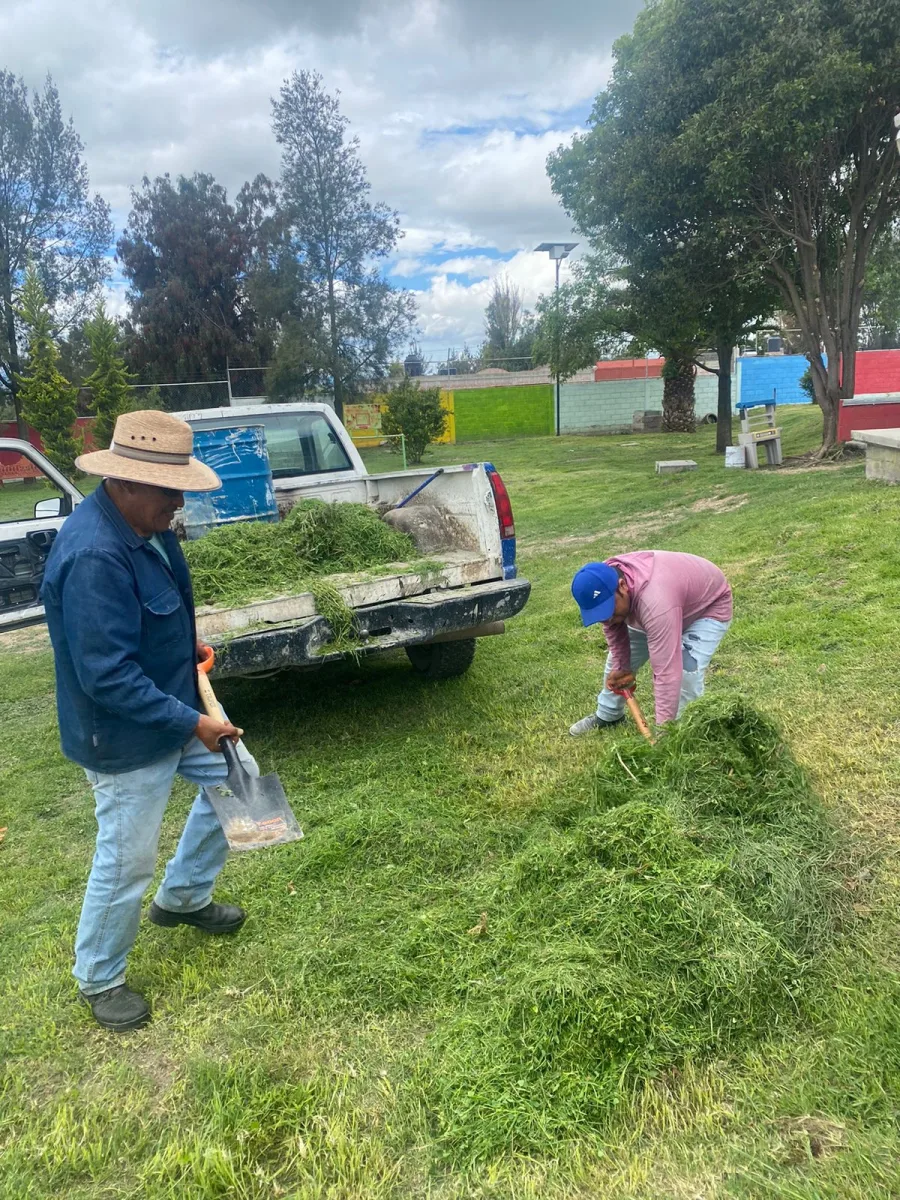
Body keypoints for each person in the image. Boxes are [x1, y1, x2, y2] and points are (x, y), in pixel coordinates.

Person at [41, 410, 259, 1032]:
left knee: (238, 777)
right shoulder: (93, 556)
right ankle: (99, 976)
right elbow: (106, 676)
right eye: (171, 491)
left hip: (170, 706)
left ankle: (183, 898)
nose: (180, 503)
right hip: (123, 733)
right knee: (127, 858)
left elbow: (158, 608)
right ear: (128, 482)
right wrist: (195, 723)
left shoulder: (148, 526)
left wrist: (181, 646)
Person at [569, 551, 732, 736]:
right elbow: (612, 625)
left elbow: (666, 672)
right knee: (613, 664)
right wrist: (622, 666)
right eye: (600, 614)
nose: (606, 619)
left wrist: (663, 732)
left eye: (608, 610)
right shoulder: (602, 579)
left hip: (706, 607)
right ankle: (608, 715)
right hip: (664, 604)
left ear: (622, 586)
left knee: (687, 671)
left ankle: (682, 731)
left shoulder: (655, 601)